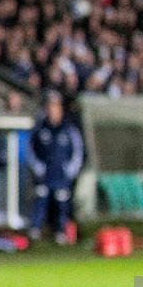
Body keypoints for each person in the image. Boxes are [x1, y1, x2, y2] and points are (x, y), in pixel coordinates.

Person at [27, 91, 84, 243]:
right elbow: (31, 150)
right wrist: (38, 168)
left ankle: (60, 232)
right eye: (50, 108)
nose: (53, 111)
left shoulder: (69, 130)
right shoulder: (40, 129)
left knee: (62, 205)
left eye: (56, 108)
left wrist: (70, 170)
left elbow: (77, 151)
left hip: (61, 175)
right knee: (40, 201)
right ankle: (35, 230)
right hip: (44, 176)